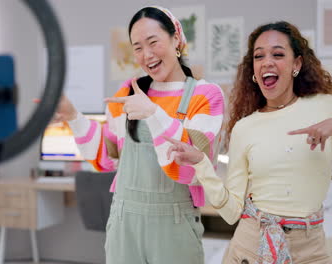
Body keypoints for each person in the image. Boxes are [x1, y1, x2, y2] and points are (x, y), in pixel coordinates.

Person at [165, 21, 332, 264]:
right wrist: (201, 164)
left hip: (311, 250)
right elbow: (230, 213)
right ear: (254, 71)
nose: (267, 61)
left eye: (278, 54)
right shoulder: (244, 128)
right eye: (259, 56)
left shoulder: (326, 107)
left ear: (296, 64)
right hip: (250, 248)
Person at [51, 6, 224, 264]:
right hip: (124, 224)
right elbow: (107, 157)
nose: (147, 55)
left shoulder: (206, 95)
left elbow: (190, 170)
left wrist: (153, 113)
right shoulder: (129, 91)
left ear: (176, 39)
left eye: (153, 42)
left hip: (173, 228)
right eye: (138, 47)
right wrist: (73, 116)